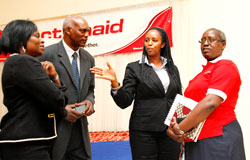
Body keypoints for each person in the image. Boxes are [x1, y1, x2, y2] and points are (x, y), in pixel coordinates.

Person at [90, 27, 182, 160]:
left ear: (163, 44)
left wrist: (181, 125)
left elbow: (178, 97)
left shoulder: (172, 68)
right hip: (144, 131)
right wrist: (115, 83)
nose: (149, 43)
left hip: (170, 131)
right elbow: (124, 101)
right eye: (146, 40)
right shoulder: (134, 68)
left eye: (154, 40)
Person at [167, 28, 246, 160]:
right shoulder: (202, 73)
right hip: (196, 139)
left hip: (218, 137)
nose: (205, 43)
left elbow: (210, 103)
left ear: (223, 44)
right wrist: (173, 128)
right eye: (202, 40)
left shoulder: (226, 66)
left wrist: (180, 129)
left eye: (211, 39)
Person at [0, 20, 67, 160]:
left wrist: (54, 77)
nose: (42, 40)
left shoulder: (15, 62)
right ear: (21, 41)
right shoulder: (23, 62)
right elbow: (58, 100)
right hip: (27, 144)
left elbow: (57, 100)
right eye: (36, 36)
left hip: (26, 142)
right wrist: (62, 106)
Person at [39, 15, 95, 160]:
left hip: (80, 134)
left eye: (88, 31)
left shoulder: (89, 58)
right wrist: (62, 111)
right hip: (55, 131)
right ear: (68, 30)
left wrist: (89, 102)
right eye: (82, 31)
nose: (87, 35)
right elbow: (37, 94)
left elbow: (90, 90)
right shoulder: (46, 55)